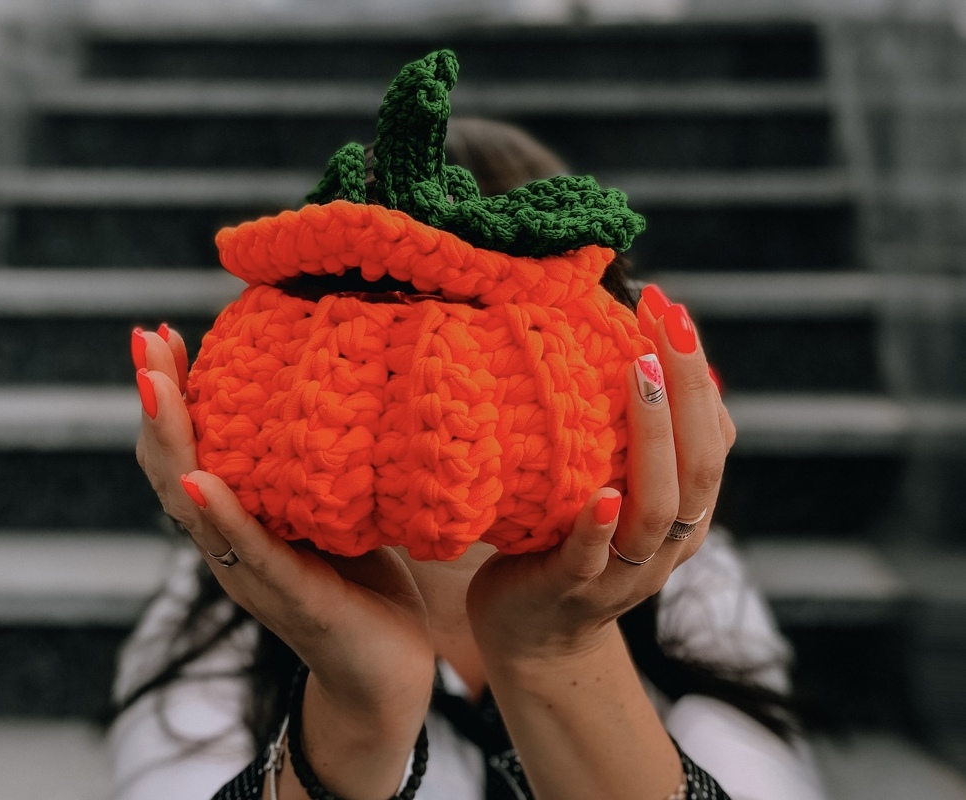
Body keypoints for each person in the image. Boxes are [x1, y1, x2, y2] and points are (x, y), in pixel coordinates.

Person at [112, 55, 826, 800]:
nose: (444, 394)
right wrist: (360, 709)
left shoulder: (694, 591)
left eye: (519, 334)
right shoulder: (215, 619)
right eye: (385, 314)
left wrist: (555, 655)